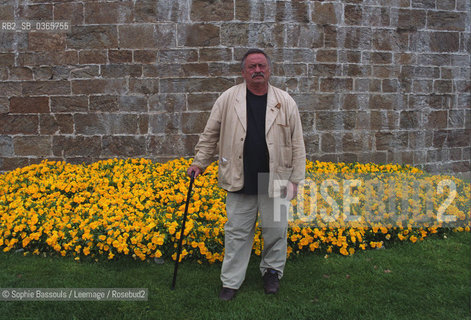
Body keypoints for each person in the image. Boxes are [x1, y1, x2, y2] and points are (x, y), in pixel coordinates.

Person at [187, 49, 306, 301]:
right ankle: (231, 282)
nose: (257, 70)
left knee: (275, 230)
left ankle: (272, 272)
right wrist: (200, 162)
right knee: (237, 233)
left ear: (269, 69)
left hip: (276, 178)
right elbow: (211, 134)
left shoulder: (285, 101)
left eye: (261, 65)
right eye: (251, 67)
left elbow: (297, 143)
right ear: (243, 72)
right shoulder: (228, 99)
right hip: (239, 176)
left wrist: (295, 180)